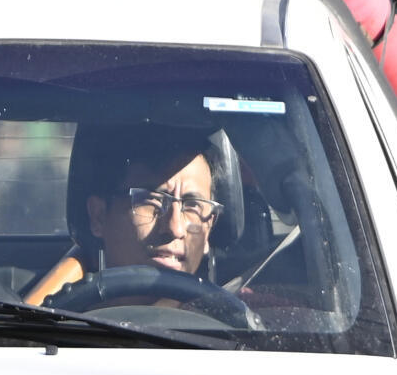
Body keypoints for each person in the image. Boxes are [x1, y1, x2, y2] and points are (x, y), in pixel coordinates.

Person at [24, 125, 240, 306]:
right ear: (98, 216)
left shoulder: (242, 337)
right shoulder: (48, 337)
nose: (175, 228)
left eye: (193, 206)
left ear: (210, 225)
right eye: (152, 201)